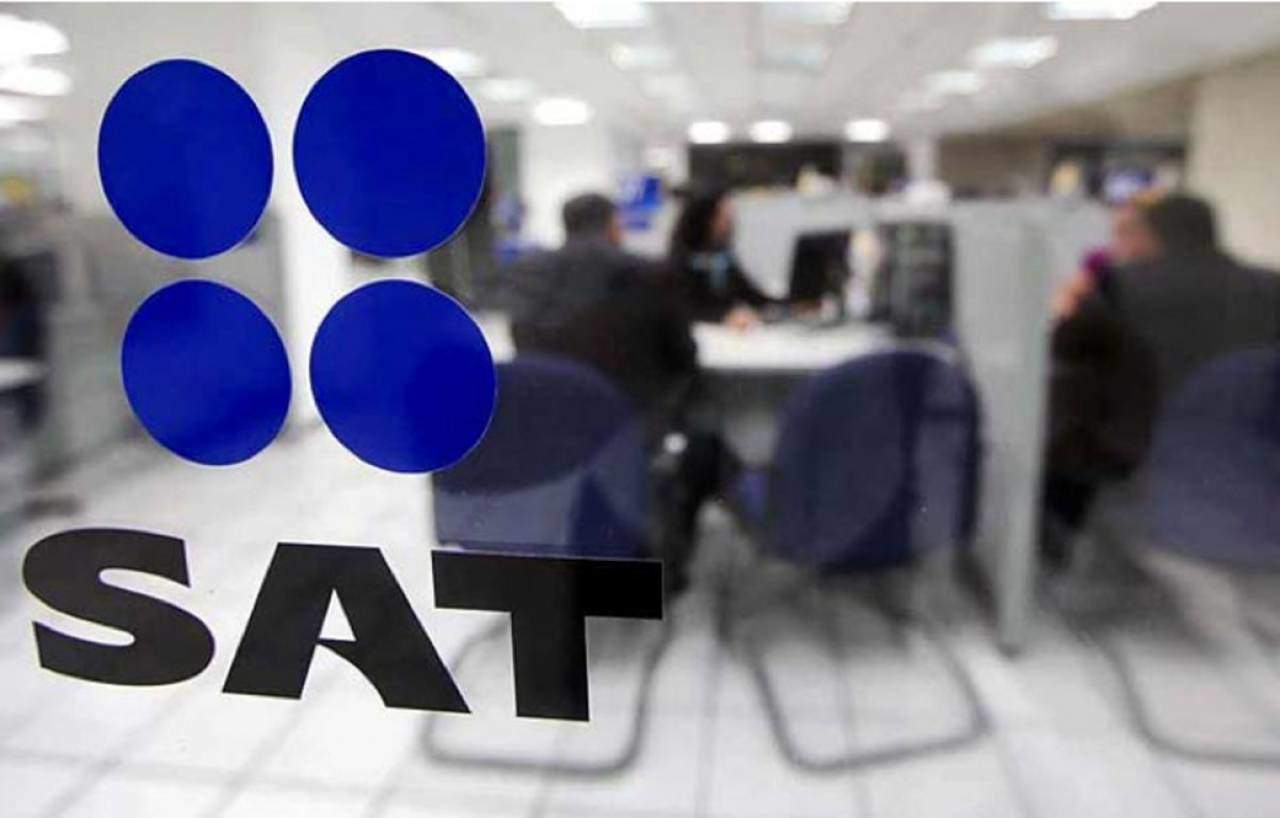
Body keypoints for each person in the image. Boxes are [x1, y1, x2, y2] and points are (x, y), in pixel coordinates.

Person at [503, 192, 733, 593]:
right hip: (638, 426)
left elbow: (525, 350)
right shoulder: (651, 273)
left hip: (558, 429)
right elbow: (684, 356)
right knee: (708, 437)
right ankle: (670, 556)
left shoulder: (528, 274)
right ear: (613, 225)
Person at [1044, 191, 1280, 558]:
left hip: (1136, 463)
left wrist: (1066, 307)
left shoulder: (1121, 283)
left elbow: (1064, 348)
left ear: (1151, 235)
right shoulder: (1272, 286)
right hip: (1248, 465)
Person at [666, 188, 775, 329]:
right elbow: (685, 307)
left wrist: (786, 304)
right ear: (706, 219)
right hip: (702, 331)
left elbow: (750, 294)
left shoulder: (722, 256)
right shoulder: (681, 260)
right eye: (723, 216)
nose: (730, 221)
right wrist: (723, 317)